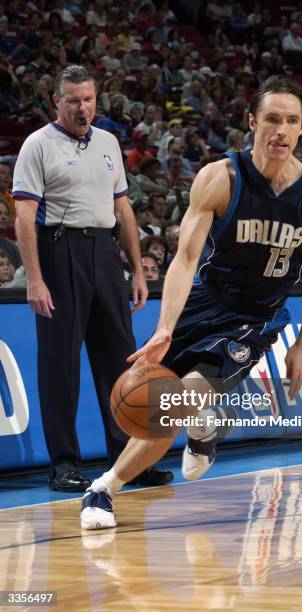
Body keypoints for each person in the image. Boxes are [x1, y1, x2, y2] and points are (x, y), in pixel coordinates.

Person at [80, 76, 302, 529]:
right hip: (206, 300)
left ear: (301, 130)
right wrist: (165, 327)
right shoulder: (220, 178)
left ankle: (167, 447)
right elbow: (184, 258)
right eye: (272, 119)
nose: (281, 130)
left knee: (178, 401)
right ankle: (103, 489)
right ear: (252, 122)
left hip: (254, 318)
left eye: (292, 121)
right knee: (159, 409)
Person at [12, 65, 173, 493]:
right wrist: (34, 279)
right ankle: (63, 463)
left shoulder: (108, 143)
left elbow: (123, 210)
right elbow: (24, 216)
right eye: (73, 101)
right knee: (60, 365)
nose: (83, 107)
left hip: (105, 253)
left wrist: (137, 269)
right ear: (57, 102)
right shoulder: (36, 145)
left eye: (88, 99)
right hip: (59, 251)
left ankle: (128, 463)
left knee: (119, 363)